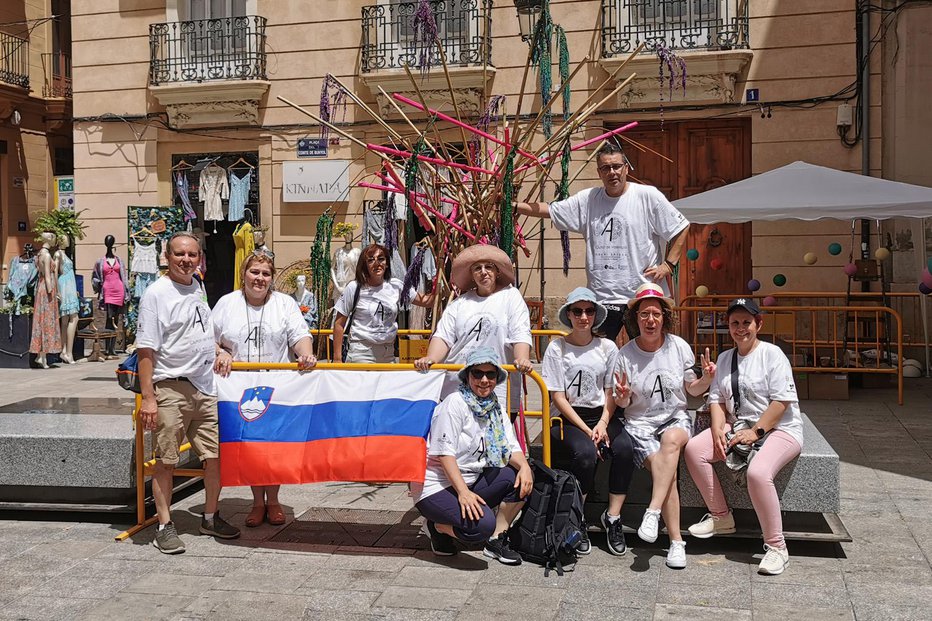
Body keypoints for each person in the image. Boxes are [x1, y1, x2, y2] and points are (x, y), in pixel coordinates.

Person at [516, 143, 689, 343]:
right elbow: (550, 210)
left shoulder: (647, 196)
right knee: (598, 355)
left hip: (642, 294)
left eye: (616, 166)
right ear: (599, 172)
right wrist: (514, 206)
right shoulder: (588, 199)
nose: (612, 172)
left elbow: (681, 227)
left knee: (649, 352)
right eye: (606, 168)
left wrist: (668, 265)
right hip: (604, 298)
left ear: (626, 168)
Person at [136, 231, 240, 554]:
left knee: (214, 458)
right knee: (165, 460)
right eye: (179, 254)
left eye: (192, 255)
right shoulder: (156, 294)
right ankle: (165, 525)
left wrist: (219, 349)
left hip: (204, 387)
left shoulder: (198, 285)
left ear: (199, 259)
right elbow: (146, 351)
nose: (186, 260)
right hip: (171, 387)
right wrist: (149, 397)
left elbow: (201, 329)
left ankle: (210, 516)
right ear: (167, 257)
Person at [684, 298, 804, 576]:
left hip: (779, 429)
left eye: (746, 322)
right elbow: (716, 399)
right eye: (735, 323)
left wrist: (756, 432)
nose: (741, 328)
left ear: (758, 324)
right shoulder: (726, 358)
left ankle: (777, 547)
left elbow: (781, 402)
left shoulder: (772, 354)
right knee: (694, 450)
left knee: (758, 473)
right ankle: (721, 516)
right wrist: (716, 428)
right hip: (738, 426)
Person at [613, 283, 715, 569]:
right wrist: (621, 397)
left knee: (671, 440)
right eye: (644, 314)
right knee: (665, 472)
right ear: (635, 319)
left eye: (655, 314)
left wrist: (706, 380)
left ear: (664, 317)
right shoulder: (625, 355)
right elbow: (622, 405)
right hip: (640, 424)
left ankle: (652, 511)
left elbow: (692, 390)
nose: (650, 320)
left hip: (675, 417)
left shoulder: (678, 346)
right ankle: (676, 542)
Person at [212, 251, 317, 527]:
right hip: (238, 388)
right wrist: (220, 352)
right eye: (254, 272)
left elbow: (300, 335)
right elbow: (207, 339)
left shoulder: (284, 304)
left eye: (265, 274)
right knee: (250, 446)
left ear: (271, 278)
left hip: (275, 386)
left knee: (273, 446)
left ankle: (274, 500)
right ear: (244, 274)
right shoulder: (226, 303)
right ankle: (257, 502)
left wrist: (305, 354)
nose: (259, 278)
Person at [414, 347, 534, 564]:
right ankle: (438, 527)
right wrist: (463, 493)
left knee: (519, 478)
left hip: (471, 478)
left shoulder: (495, 407)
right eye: (477, 373)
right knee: (481, 526)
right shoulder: (454, 403)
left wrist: (525, 468)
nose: (484, 380)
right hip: (437, 485)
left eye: (491, 374)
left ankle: (496, 540)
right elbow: (444, 454)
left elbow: (510, 445)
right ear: (468, 376)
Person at [540, 287, 635, 556]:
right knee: (585, 454)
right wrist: (587, 430)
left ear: (596, 315)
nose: (584, 317)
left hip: (602, 414)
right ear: (569, 314)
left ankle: (613, 517)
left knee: (625, 449)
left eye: (589, 311)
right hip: (570, 418)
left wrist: (603, 423)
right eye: (578, 311)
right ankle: (576, 517)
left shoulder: (607, 346)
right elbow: (558, 396)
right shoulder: (557, 347)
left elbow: (610, 391)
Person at [414, 244, 533, 406]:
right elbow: (443, 335)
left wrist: (522, 358)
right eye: (477, 268)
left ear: (497, 271)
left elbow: (520, 331)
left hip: (497, 383)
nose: (483, 272)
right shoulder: (459, 303)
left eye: (488, 267)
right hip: (458, 383)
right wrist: (431, 358)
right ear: (471, 274)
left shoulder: (510, 296)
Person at [333, 243, 433, 363]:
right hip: (361, 353)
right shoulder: (354, 288)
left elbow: (427, 302)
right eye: (371, 260)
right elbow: (339, 324)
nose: (377, 263)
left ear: (386, 263)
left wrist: (440, 281)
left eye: (381, 259)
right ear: (364, 265)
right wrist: (337, 359)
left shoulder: (396, 285)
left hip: (388, 354)